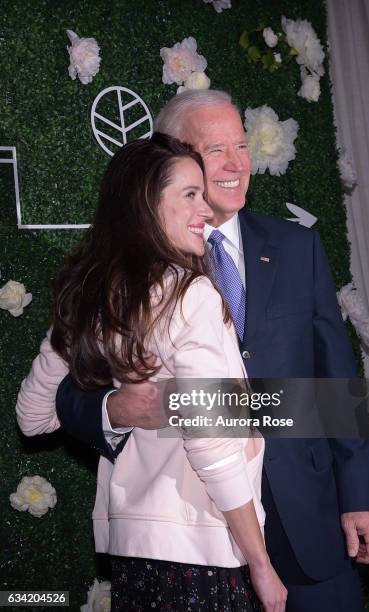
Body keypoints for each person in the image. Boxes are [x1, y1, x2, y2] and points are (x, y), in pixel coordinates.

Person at [54, 90, 369, 612]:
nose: (237, 165)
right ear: (173, 159)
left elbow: (337, 378)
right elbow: (61, 393)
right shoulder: (128, 270)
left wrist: (360, 496)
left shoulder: (298, 248)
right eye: (216, 151)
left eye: (242, 146)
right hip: (196, 544)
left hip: (309, 521)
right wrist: (113, 409)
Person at [16, 133, 288, 611]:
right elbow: (213, 446)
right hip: (202, 555)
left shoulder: (90, 300)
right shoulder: (191, 296)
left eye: (203, 195)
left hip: (134, 555)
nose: (206, 210)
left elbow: (32, 415)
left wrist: (109, 409)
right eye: (189, 194)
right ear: (145, 206)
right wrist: (261, 564)